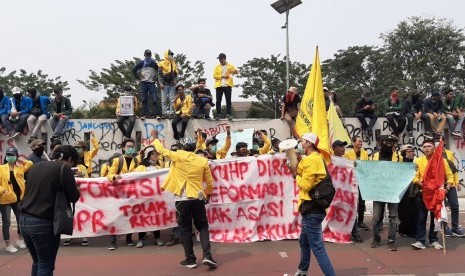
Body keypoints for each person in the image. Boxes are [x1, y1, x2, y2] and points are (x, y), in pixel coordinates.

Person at [150, 129, 217, 269]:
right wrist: (208, 193)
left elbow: (161, 150)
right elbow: (209, 181)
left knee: (185, 229)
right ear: (193, 148)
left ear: (183, 147)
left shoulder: (178, 155)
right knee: (203, 226)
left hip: (181, 199)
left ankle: (190, 259)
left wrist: (155, 137)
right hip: (198, 197)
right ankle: (207, 255)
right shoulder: (202, 160)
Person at [19, 145, 80, 275]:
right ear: (70, 159)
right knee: (46, 265)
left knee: (37, 262)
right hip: (44, 222)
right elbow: (74, 197)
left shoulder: (35, 167)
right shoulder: (64, 169)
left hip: (24, 220)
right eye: (72, 162)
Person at [294, 133, 336, 276]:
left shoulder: (312, 160)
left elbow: (305, 185)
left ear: (309, 144)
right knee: (304, 242)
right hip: (311, 209)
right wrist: (297, 163)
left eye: (303, 141)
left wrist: (295, 176)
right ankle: (302, 270)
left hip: (311, 209)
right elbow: (303, 172)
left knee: (317, 248)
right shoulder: (315, 158)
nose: (301, 143)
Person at [411, 141, 453, 250]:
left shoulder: (442, 161)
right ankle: (420, 240)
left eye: (429, 146)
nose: (426, 148)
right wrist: (425, 186)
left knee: (436, 218)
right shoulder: (418, 161)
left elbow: (450, 177)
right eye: (424, 147)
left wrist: (446, 189)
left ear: (434, 148)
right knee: (421, 217)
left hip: (437, 194)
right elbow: (414, 177)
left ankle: (433, 240)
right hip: (423, 193)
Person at [370, 135, 402, 251]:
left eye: (391, 142)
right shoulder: (373, 157)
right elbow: (367, 170)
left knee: (393, 217)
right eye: (386, 142)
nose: (389, 144)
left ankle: (392, 239)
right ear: (381, 143)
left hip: (392, 191)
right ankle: (376, 238)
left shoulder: (398, 157)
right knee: (376, 216)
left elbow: (402, 172)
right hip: (378, 191)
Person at [107, 138, 139, 250]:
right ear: (124, 148)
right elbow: (110, 174)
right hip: (119, 193)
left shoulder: (137, 160)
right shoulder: (118, 161)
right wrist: (115, 176)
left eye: (132, 146)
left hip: (132, 193)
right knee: (115, 217)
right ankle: (112, 241)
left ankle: (129, 238)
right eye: (128, 146)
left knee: (130, 216)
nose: (130, 148)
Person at [0, 147, 33, 253]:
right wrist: (3, 190)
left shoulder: (19, 168)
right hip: (5, 199)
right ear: (6, 156)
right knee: (7, 222)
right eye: (8, 155)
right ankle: (8, 244)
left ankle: (20, 239)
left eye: (13, 155)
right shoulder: (1, 168)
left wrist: (20, 160)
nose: (10, 157)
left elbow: (30, 164)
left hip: (18, 199)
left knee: (20, 220)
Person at [134, 146, 165, 248]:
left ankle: (157, 237)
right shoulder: (140, 168)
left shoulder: (159, 168)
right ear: (148, 156)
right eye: (153, 154)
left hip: (156, 198)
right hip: (143, 198)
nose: (156, 156)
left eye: (156, 154)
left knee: (156, 216)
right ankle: (141, 238)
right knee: (142, 217)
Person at [344, 136, 370, 232]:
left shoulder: (365, 153)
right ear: (353, 142)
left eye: (361, 142)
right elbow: (346, 166)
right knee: (353, 202)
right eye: (359, 141)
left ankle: (360, 222)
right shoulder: (348, 154)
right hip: (352, 181)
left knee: (362, 202)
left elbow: (367, 166)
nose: (360, 143)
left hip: (362, 180)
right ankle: (352, 221)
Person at [397, 144, 419, 238]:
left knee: (415, 211)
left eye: (412, 151)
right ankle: (404, 229)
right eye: (408, 151)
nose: (411, 153)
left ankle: (413, 231)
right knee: (404, 211)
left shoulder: (417, 162)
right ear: (403, 153)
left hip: (414, 190)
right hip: (403, 192)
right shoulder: (399, 163)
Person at [132, 49, 159, 120]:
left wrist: (156, 77)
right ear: (144, 55)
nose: (148, 56)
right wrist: (139, 77)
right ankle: (145, 114)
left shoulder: (153, 62)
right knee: (144, 99)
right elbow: (134, 70)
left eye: (149, 55)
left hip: (151, 83)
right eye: (147, 55)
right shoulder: (141, 63)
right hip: (144, 83)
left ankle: (157, 114)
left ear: (151, 55)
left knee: (155, 99)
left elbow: (160, 69)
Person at [213, 53, 238, 120]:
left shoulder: (230, 66)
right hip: (219, 86)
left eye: (221, 59)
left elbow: (237, 71)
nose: (220, 60)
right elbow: (214, 76)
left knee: (228, 100)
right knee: (218, 100)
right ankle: (218, 114)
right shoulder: (217, 67)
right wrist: (222, 76)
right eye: (219, 59)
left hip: (227, 85)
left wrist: (234, 71)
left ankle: (228, 114)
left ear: (224, 58)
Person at [158, 49, 179, 119]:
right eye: (170, 54)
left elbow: (175, 74)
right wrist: (160, 83)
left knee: (172, 99)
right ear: (166, 55)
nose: (171, 56)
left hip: (171, 84)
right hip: (164, 84)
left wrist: (175, 80)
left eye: (172, 55)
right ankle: (164, 113)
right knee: (164, 100)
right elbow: (159, 75)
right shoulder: (161, 63)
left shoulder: (173, 63)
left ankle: (171, 113)